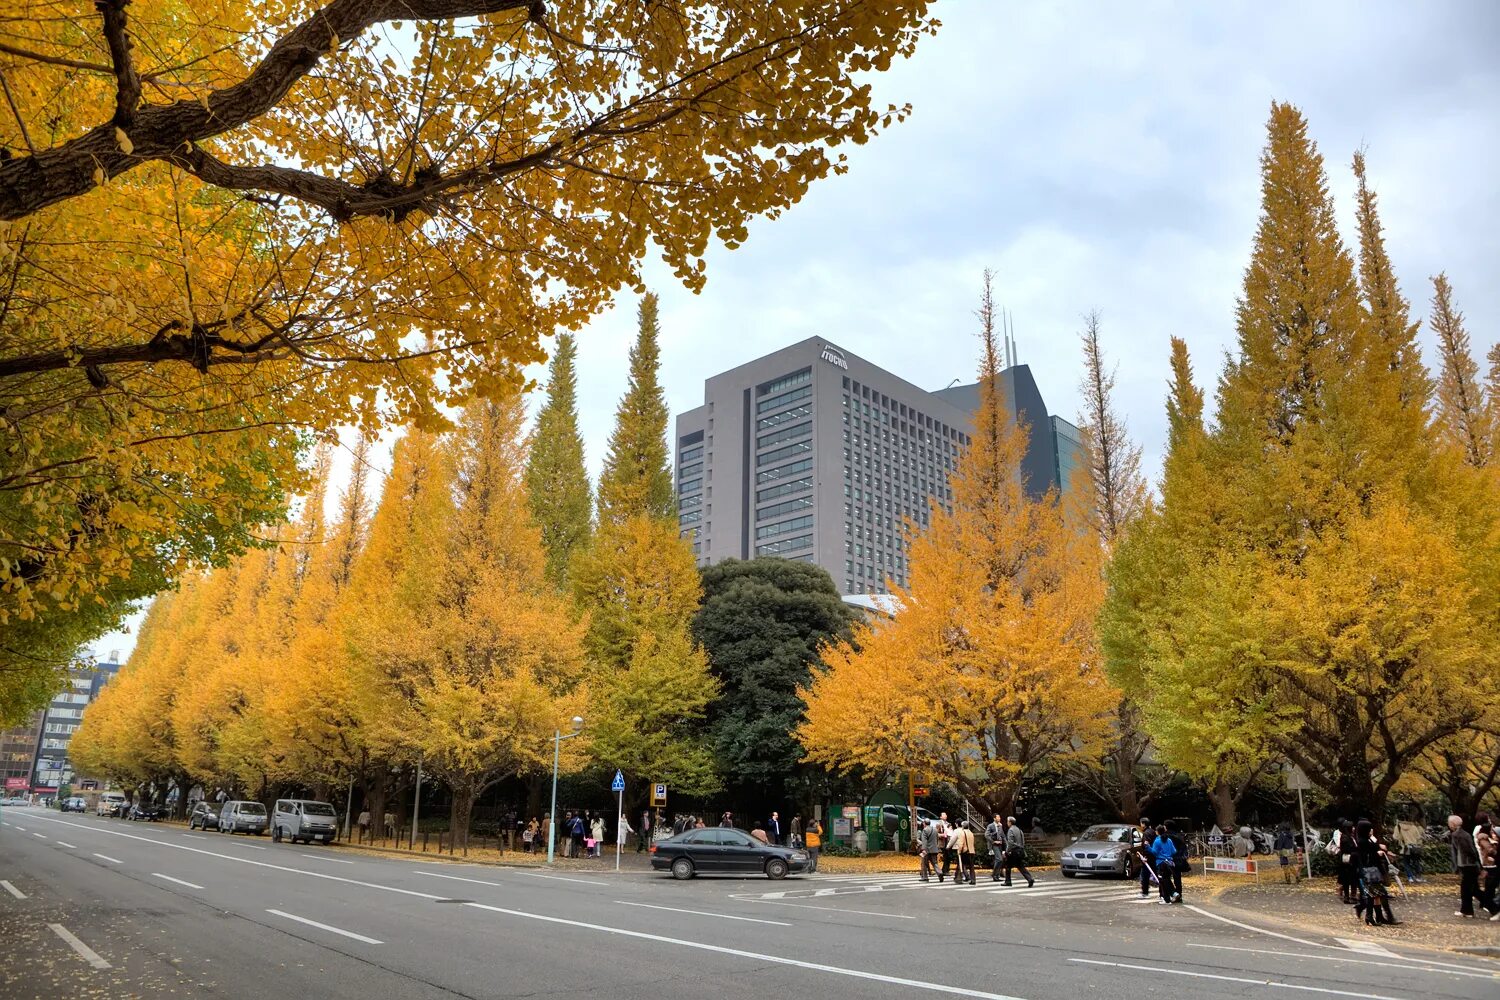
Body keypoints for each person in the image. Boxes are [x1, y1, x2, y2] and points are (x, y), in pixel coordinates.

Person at [1448, 814, 1497, 919]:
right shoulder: (1462, 834)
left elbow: (1469, 851)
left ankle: (1494, 908)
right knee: (1466, 889)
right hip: (1469, 865)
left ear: (1452, 824)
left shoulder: (1458, 835)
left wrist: (1476, 865)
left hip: (1468, 865)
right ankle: (1466, 910)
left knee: (1473, 890)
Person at [1352, 819, 1398, 926]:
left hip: (1372, 871)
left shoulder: (1366, 840)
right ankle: (1373, 917)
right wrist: (1378, 851)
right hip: (1370, 871)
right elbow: (1371, 852)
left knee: (1374, 895)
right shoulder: (1363, 842)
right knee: (1376, 894)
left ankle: (1376, 916)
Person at [1328, 818, 1357, 905]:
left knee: (1349, 879)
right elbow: (1347, 849)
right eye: (1352, 827)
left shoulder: (1350, 837)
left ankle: (1350, 896)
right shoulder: (1345, 838)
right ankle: (1348, 896)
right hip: (1348, 861)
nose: (1354, 828)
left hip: (1349, 861)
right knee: (1348, 879)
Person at [1151, 824, 1179, 904]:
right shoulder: (1169, 840)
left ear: (1158, 832)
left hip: (1161, 863)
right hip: (1169, 863)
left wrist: (1148, 847)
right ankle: (1170, 896)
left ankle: (1169, 897)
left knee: (1163, 881)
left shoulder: (1157, 841)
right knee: (1166, 880)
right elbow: (1174, 851)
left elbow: (1154, 852)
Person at [1003, 816, 1035, 887]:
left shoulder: (1011, 830)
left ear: (1010, 822)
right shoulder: (1019, 830)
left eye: (1008, 821)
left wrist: (1007, 851)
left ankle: (1008, 881)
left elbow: (1010, 843)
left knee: (1008, 865)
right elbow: (1023, 841)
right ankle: (1029, 878)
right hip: (1020, 850)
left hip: (1014, 851)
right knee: (1020, 866)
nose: (1007, 823)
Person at [1391, 817, 1424, 883]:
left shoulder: (1398, 827)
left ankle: (1410, 877)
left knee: (1406, 863)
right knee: (1416, 862)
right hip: (1414, 848)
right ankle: (1418, 877)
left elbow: (1395, 837)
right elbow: (1418, 837)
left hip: (1405, 848)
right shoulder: (1413, 827)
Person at [1477, 814, 1499, 913]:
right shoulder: (1484, 839)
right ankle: (1488, 904)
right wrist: (1495, 851)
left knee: (1490, 885)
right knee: (1490, 885)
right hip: (1490, 863)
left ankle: (1487, 903)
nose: (1492, 832)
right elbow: (1489, 850)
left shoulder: (1487, 838)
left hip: (1491, 862)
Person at [1134, 818, 1156, 897]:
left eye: (1141, 823)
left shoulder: (1146, 833)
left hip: (1148, 857)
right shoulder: (1152, 831)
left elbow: (1147, 845)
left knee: (1145, 875)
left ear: (1143, 824)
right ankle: (1164, 893)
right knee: (1155, 874)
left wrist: (1145, 856)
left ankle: (1145, 892)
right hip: (1154, 856)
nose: (1140, 825)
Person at [985, 815, 1006, 883]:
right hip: (994, 845)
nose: (999, 818)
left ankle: (996, 875)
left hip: (1000, 844)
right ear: (994, 818)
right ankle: (995, 875)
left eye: (1000, 817)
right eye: (998, 817)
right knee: (999, 859)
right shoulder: (990, 826)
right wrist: (993, 841)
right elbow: (986, 835)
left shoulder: (1000, 826)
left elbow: (1003, 835)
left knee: (1000, 860)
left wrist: (1006, 844)